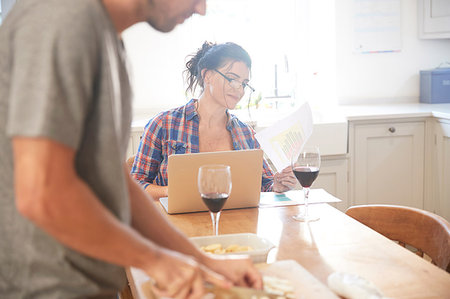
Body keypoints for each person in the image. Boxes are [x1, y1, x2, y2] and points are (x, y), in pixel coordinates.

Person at [0, 1, 263, 298]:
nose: (201, 9)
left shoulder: (109, 41)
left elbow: (116, 182)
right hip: (41, 287)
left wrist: (204, 261)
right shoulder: (64, 19)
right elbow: (41, 193)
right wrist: (156, 259)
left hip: (87, 282)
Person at [131, 41, 297, 200]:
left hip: (236, 224)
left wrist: (277, 185)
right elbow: (135, 185)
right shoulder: (163, 125)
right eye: (232, 78)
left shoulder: (246, 134)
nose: (239, 89)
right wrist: (171, 191)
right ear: (207, 75)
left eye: (244, 83)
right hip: (178, 226)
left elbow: (265, 184)